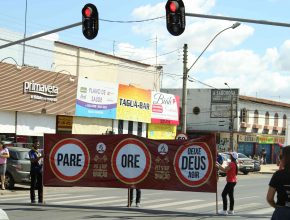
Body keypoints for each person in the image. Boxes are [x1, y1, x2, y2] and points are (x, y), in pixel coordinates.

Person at [267, 145, 290, 219]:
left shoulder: (278, 175)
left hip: (282, 212)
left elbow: (269, 198)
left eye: (281, 157)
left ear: (284, 159)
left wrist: (277, 207)